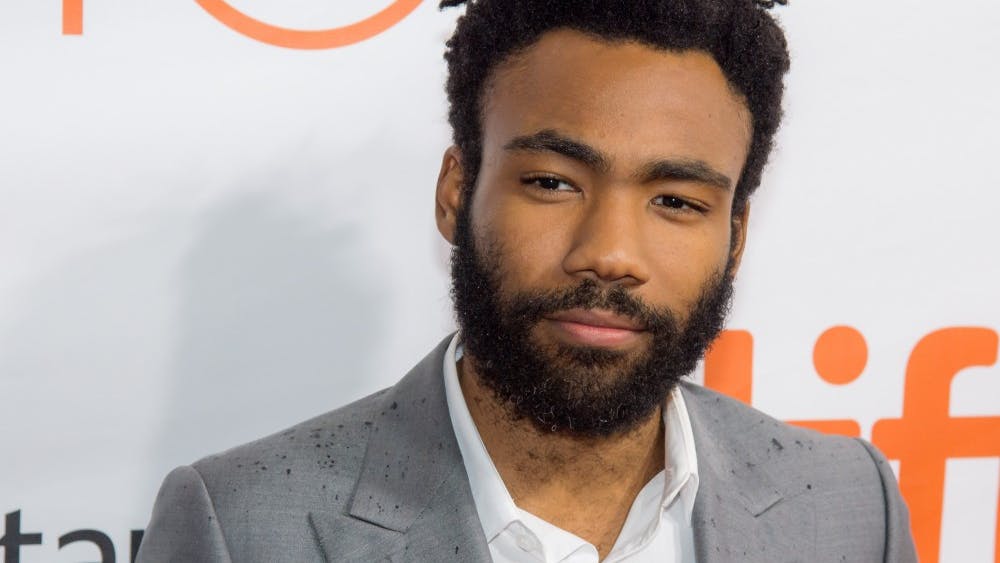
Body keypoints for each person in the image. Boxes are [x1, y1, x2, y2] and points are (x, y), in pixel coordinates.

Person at [137, 1, 917, 561]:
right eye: (552, 182)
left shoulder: (850, 507)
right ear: (456, 191)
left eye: (676, 201)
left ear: (735, 236)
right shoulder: (239, 527)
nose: (610, 253)